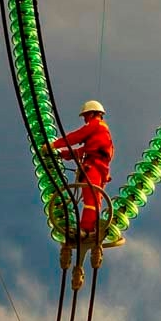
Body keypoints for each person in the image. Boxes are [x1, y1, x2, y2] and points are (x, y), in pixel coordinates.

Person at [46, 100, 114, 236]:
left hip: (94, 167)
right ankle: (91, 227)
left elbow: (76, 137)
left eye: (86, 115)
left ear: (94, 114)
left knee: (91, 198)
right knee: (95, 199)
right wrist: (61, 154)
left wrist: (54, 145)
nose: (84, 119)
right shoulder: (100, 134)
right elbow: (81, 151)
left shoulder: (96, 125)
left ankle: (85, 229)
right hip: (98, 169)